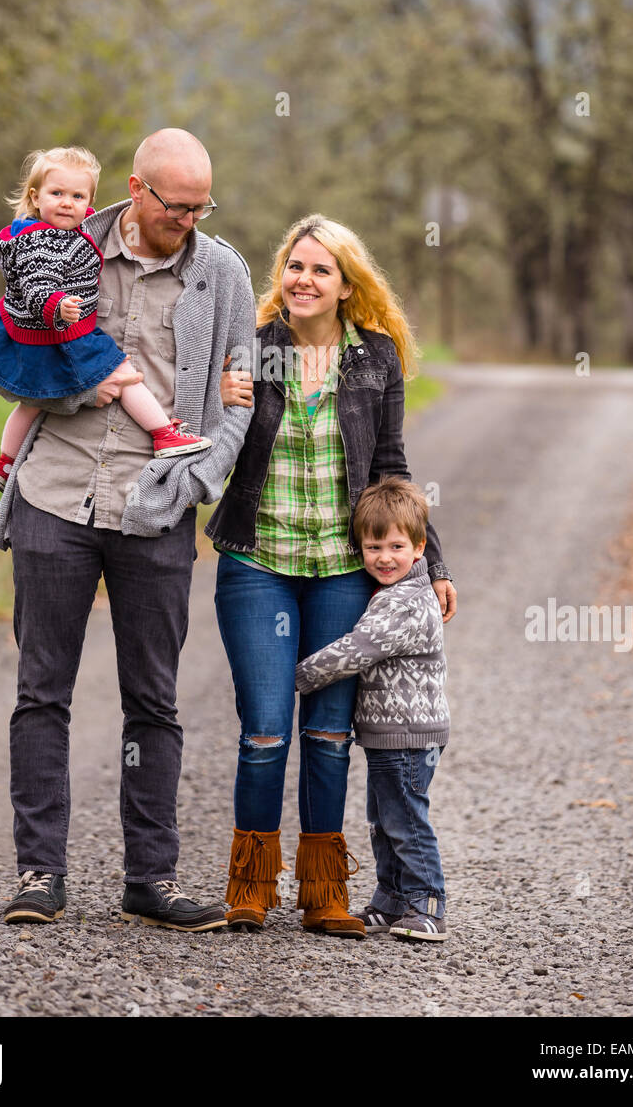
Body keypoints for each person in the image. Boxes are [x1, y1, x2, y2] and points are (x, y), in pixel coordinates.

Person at [0, 128, 256, 931]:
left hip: (157, 505)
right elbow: (3, 363)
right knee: (41, 693)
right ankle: (39, 874)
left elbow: (240, 394)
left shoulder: (223, 274)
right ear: (134, 190)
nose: (190, 219)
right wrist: (74, 397)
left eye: (202, 206)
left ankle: (152, 879)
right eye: (177, 205)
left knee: (154, 701)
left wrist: (201, 476)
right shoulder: (58, 246)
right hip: (56, 495)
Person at [207, 214, 457, 937]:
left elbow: (392, 470)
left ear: (347, 285)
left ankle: (324, 895)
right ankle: (249, 887)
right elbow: (210, 441)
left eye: (320, 270)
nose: (303, 280)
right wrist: (220, 404)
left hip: (345, 570)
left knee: (326, 734)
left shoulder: (374, 358)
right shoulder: (250, 352)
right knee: (263, 732)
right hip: (259, 562)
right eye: (293, 266)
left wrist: (429, 561)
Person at [0, 145, 209, 492]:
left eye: (78, 196)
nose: (68, 203)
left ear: (89, 202)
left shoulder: (57, 232)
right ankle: (163, 434)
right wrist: (55, 306)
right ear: (35, 197)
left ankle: (5, 462)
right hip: (61, 332)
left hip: (44, 333)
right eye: (57, 194)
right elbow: (37, 281)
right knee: (125, 375)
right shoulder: (42, 240)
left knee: (30, 404)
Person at [295, 477, 450, 942]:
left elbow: (358, 649)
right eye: (373, 546)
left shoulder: (405, 601)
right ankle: (389, 900)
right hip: (388, 734)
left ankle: (427, 903)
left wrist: (296, 675)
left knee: (404, 819)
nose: (384, 557)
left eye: (396, 546)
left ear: (420, 548)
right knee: (383, 820)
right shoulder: (389, 592)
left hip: (410, 732)